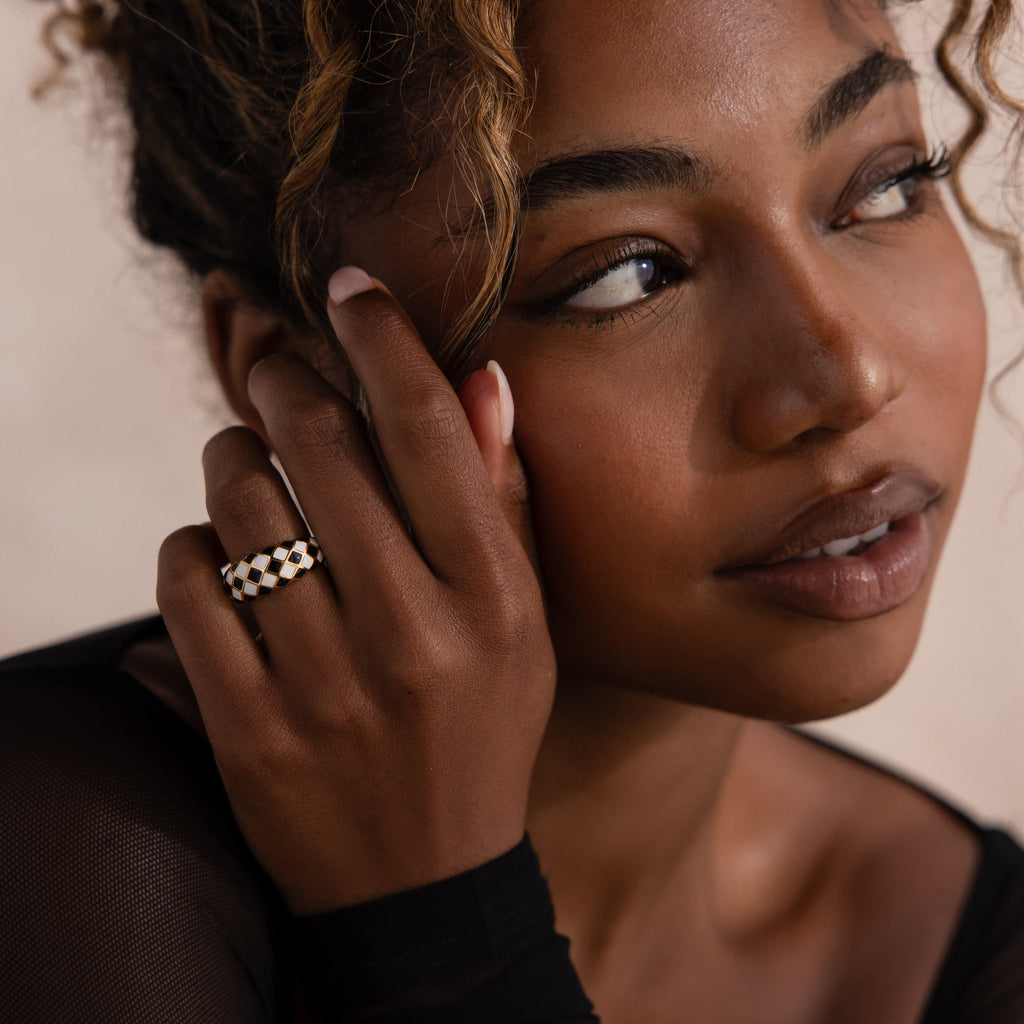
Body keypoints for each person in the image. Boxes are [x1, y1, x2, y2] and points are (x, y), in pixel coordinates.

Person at [2, 0, 1023, 1021]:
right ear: (293, 373)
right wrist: (440, 930)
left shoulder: (964, 943)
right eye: (627, 273)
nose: (847, 375)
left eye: (887, 185)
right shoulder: (73, 846)